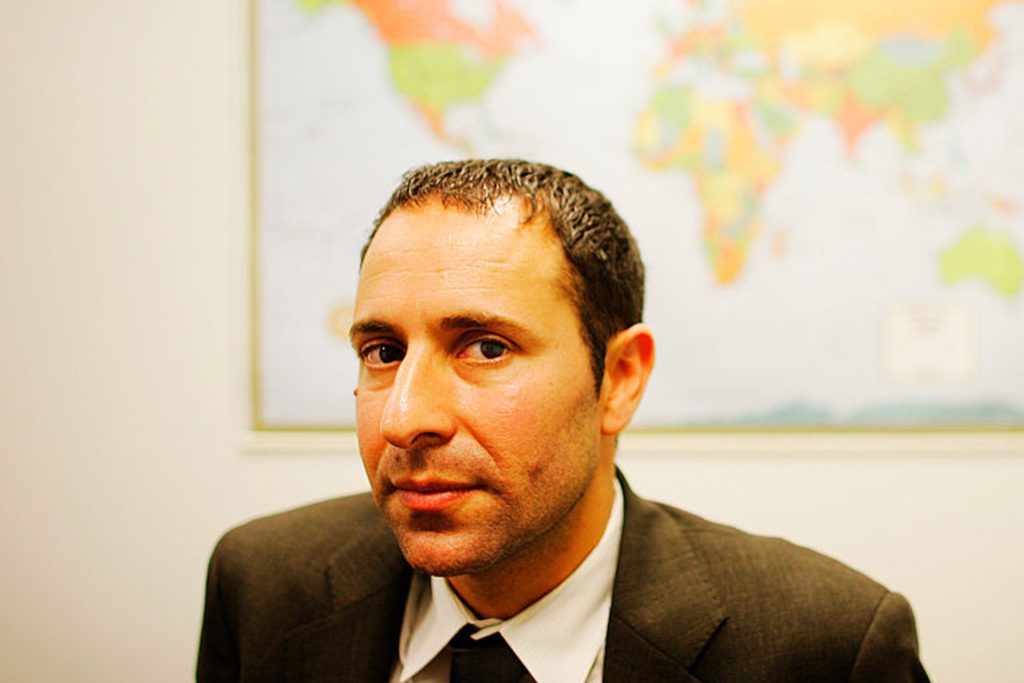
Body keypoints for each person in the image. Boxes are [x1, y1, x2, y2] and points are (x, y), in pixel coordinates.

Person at [197, 159, 930, 682]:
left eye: (486, 347)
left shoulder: (826, 646)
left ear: (620, 379)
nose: (404, 417)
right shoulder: (262, 586)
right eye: (383, 352)